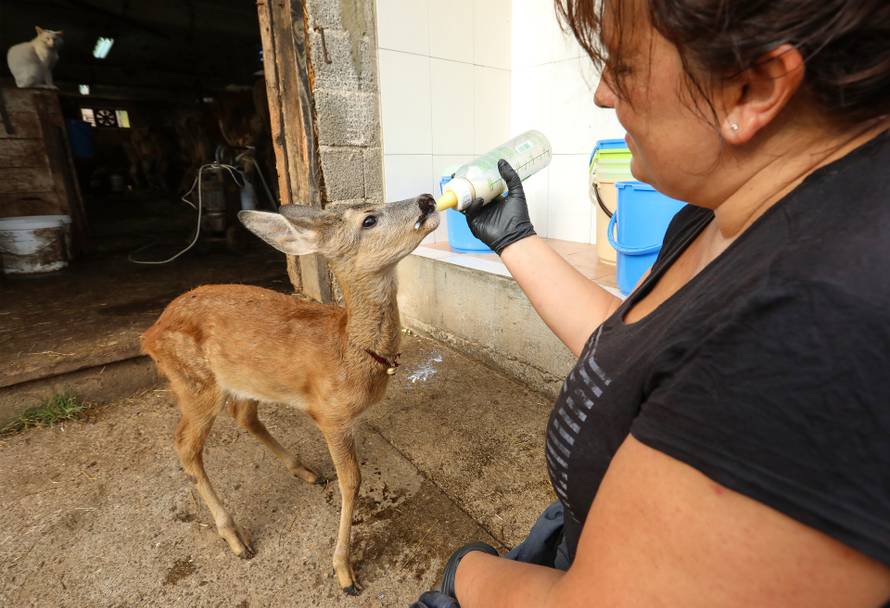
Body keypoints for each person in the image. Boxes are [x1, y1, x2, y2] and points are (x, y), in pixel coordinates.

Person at [411, 0, 890, 606]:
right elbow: (633, 355)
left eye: (624, 66)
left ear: (752, 89)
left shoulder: (817, 328)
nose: (602, 95)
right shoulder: (721, 213)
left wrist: (468, 572)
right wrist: (515, 241)